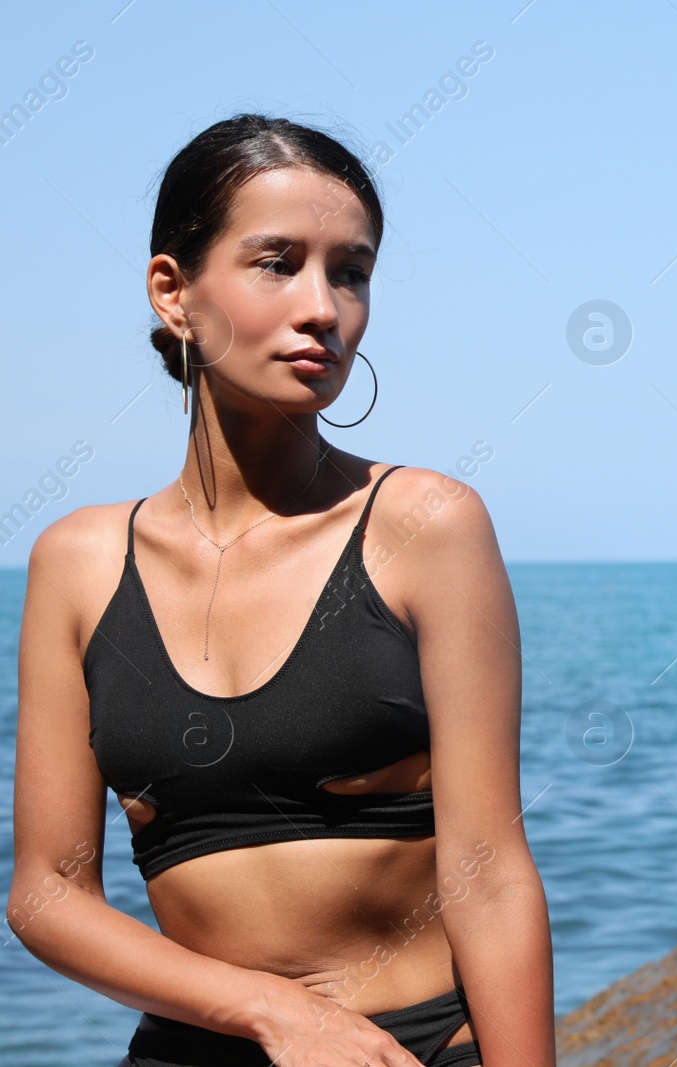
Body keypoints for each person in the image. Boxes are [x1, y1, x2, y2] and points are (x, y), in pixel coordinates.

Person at [6, 114, 556, 1067]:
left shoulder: (427, 525)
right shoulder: (79, 563)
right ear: (173, 292)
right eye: (277, 263)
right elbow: (48, 894)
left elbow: (489, 872)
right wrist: (274, 1011)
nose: (324, 307)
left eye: (350, 270)